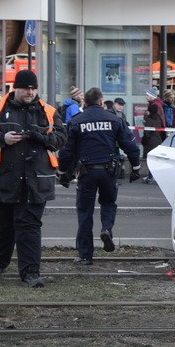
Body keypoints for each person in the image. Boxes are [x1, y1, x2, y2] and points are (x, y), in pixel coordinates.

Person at [0, 69, 66, 288]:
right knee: (3, 224)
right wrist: (1, 138)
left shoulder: (49, 111)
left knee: (29, 226)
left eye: (33, 88)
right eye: (26, 88)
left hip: (35, 180)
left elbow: (61, 138)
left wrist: (42, 137)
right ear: (16, 87)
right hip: (3, 178)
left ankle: (31, 273)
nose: (30, 92)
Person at [57, 87, 142, 264]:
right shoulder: (114, 120)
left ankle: (85, 255)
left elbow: (67, 151)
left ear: (85, 103)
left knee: (85, 212)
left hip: (86, 172)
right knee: (109, 203)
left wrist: (62, 172)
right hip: (109, 171)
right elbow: (130, 145)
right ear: (102, 102)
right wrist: (135, 167)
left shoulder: (76, 121)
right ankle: (106, 230)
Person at [141, 101, 165, 183]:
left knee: (150, 160)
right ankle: (152, 176)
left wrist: (144, 141)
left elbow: (147, 133)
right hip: (158, 141)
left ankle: (150, 177)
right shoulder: (158, 118)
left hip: (150, 142)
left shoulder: (149, 120)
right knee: (155, 160)